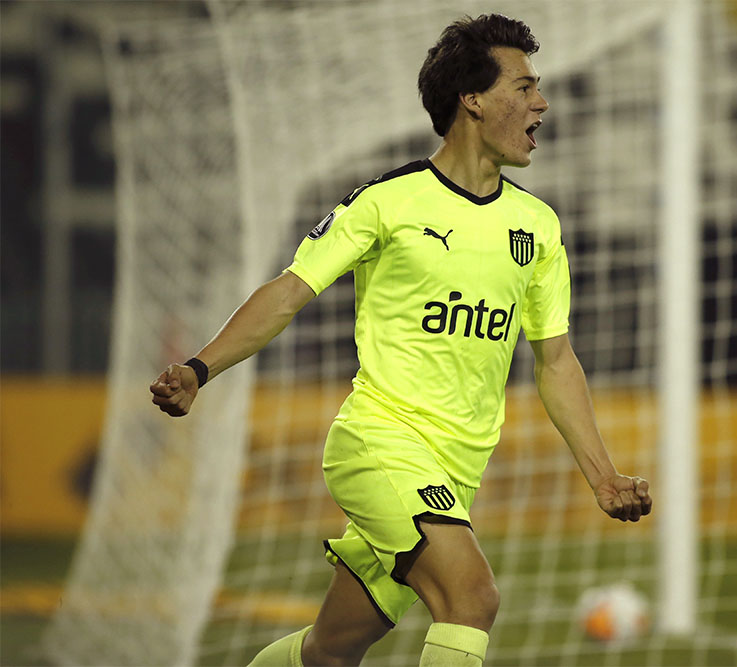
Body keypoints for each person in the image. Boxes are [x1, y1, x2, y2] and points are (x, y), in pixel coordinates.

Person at [149, 13, 652, 667]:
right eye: (525, 87)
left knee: (330, 651)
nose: (542, 103)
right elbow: (290, 291)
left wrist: (603, 476)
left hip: (456, 471)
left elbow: (555, 360)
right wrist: (199, 367)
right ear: (473, 100)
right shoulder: (388, 202)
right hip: (379, 445)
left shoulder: (538, 226)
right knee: (471, 597)